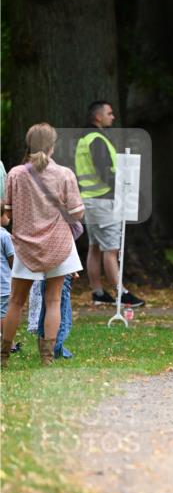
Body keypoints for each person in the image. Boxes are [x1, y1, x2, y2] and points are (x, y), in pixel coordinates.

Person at [1, 124, 84, 367]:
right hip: (59, 246)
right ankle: (47, 358)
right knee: (53, 300)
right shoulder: (65, 174)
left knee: (16, 301)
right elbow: (77, 214)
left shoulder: (15, 174)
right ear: (52, 146)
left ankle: (3, 356)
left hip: (25, 247)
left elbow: (8, 211)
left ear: (28, 144)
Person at [74, 100, 145, 308]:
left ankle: (97, 292)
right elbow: (105, 171)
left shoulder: (84, 139)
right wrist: (122, 192)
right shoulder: (97, 139)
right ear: (98, 116)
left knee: (95, 247)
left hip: (90, 199)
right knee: (111, 249)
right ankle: (121, 294)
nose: (112, 117)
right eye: (109, 113)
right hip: (105, 200)